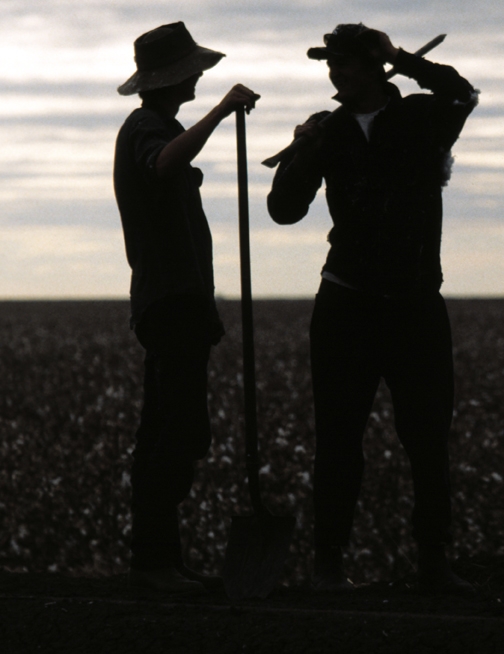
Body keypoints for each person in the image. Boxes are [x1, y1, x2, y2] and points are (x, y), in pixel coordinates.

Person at [267, 23, 478, 594]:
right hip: (347, 303)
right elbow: (284, 210)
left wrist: (403, 58)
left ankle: (433, 563)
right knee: (338, 439)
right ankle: (328, 566)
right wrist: (300, 152)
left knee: (428, 439)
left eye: (348, 63)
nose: (336, 72)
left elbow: (463, 94)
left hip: (414, 304)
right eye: (331, 64)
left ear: (373, 65)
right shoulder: (327, 133)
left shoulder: (419, 119)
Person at [113, 22, 259, 593]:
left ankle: (160, 558)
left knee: (174, 430)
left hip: (180, 300)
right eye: (194, 70)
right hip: (169, 301)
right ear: (173, 76)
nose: (200, 76)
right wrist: (222, 112)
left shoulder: (157, 124)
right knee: (171, 433)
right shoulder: (147, 127)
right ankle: (152, 562)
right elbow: (163, 165)